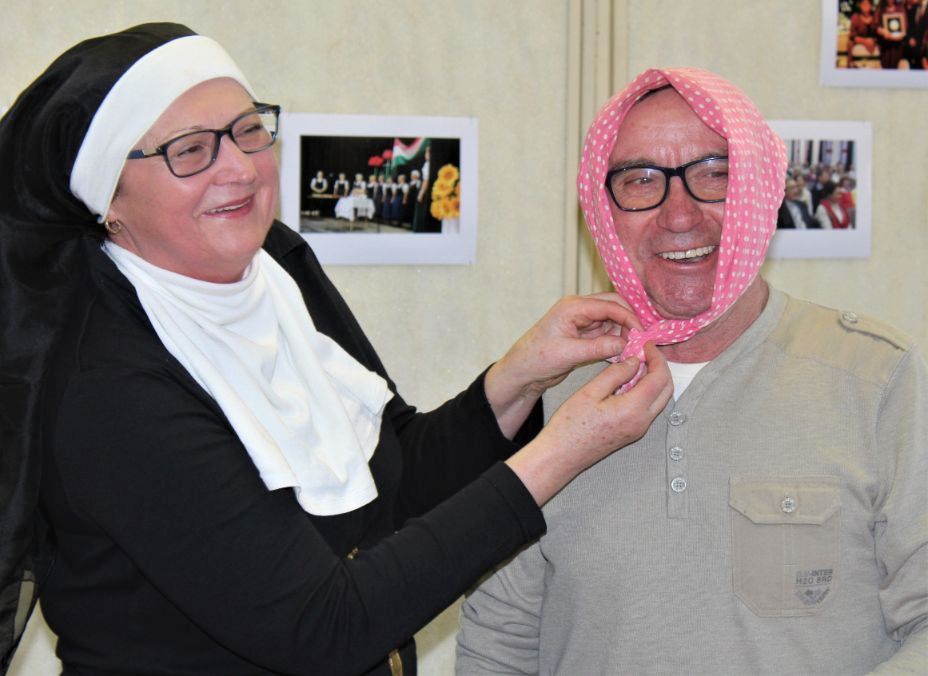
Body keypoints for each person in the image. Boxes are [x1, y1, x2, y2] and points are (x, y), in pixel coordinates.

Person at [0, 24, 674, 675]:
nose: (238, 168)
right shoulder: (106, 385)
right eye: (190, 150)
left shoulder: (278, 270)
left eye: (248, 130)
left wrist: (520, 376)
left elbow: (396, 480)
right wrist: (562, 451)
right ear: (108, 197)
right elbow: (324, 627)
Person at [457, 67, 927, 675]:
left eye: (714, 174)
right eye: (641, 180)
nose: (679, 215)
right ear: (603, 212)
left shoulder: (876, 378)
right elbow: (499, 641)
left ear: (761, 188)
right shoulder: (547, 391)